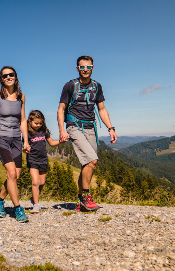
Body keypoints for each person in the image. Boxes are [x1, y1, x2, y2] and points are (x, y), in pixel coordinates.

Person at [57, 55, 117, 212]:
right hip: (74, 126)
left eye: (88, 67)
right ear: (77, 69)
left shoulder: (97, 86)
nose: (85, 70)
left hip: (91, 127)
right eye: (82, 67)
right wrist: (62, 130)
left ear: (93, 68)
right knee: (92, 161)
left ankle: (80, 202)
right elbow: (61, 109)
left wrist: (111, 128)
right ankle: (86, 198)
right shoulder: (70, 86)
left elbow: (102, 109)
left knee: (87, 164)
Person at [0, 66, 30, 223]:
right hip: (1, 137)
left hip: (16, 138)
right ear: (1, 79)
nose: (8, 77)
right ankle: (18, 208)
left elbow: (22, 120)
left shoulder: (21, 96)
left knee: (15, 175)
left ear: (15, 77)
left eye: (11, 75)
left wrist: (26, 140)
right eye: (5, 76)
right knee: (11, 173)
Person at [26, 110, 63, 213]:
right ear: (30, 121)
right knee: (35, 182)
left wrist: (61, 141)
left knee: (42, 182)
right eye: (36, 123)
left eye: (40, 123)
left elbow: (51, 142)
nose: (38, 125)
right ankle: (36, 205)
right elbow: (24, 145)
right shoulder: (27, 132)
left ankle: (33, 198)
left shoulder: (44, 131)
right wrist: (25, 149)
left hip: (43, 159)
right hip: (32, 159)